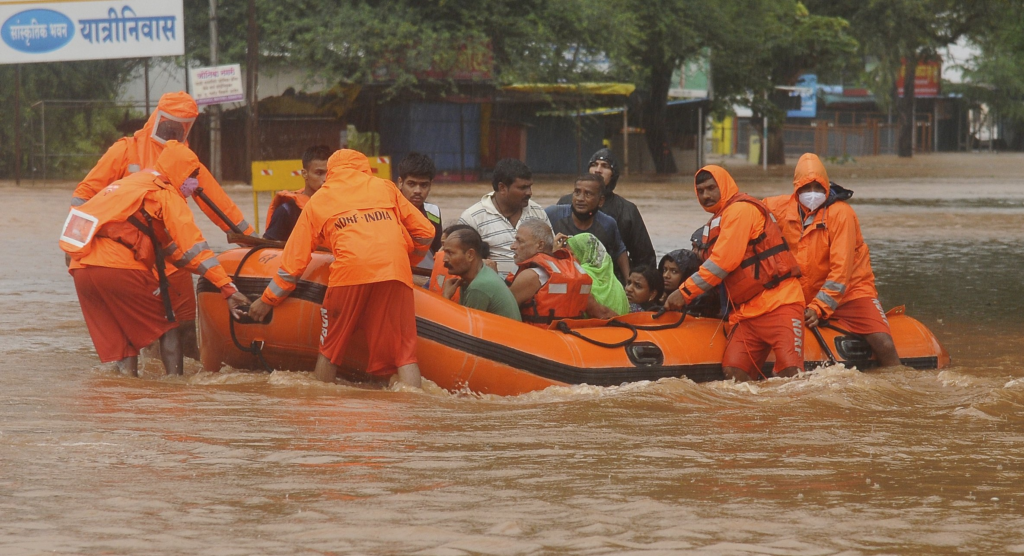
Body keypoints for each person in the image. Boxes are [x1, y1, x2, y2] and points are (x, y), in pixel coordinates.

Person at [70, 91, 256, 361]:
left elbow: (217, 203)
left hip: (171, 255)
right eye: (170, 122)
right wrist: (77, 242)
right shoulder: (125, 149)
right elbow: (84, 196)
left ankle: (172, 388)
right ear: (157, 117)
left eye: (183, 124)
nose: (174, 129)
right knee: (145, 333)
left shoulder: (184, 158)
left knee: (184, 329)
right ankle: (161, 389)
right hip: (131, 258)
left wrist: (250, 240)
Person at [247, 149, 435, 388]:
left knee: (330, 349)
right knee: (405, 355)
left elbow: (293, 263)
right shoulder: (385, 187)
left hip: (348, 274)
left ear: (332, 171)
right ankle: (413, 409)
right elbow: (426, 232)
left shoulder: (318, 200)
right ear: (363, 167)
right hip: (395, 272)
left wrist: (267, 299)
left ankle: (324, 409)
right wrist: (409, 262)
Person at [665, 166, 806, 382]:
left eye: (711, 188)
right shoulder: (718, 221)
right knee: (734, 374)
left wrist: (683, 293)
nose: (706, 196)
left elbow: (722, 263)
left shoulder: (741, 211)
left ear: (724, 185)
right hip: (746, 313)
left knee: (791, 373)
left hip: (780, 302)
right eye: (700, 191)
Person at [764, 153, 900, 367]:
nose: (812, 194)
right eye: (806, 188)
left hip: (851, 292)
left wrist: (818, 308)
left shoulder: (841, 214)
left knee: (884, 345)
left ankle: (897, 377)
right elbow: (748, 213)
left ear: (826, 187)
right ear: (796, 188)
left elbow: (841, 272)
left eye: (817, 188)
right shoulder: (779, 207)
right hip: (800, 292)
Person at [557, 148, 656, 271]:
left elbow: (644, 258)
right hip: (569, 273)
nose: (598, 170)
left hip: (611, 278)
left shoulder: (627, 210)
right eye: (594, 165)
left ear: (613, 174)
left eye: (605, 166)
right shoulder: (565, 203)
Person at [508, 219, 617, 327]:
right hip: (569, 340)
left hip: (535, 340)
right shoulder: (574, 276)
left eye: (519, 241)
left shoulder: (531, 276)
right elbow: (601, 312)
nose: (513, 246)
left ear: (540, 246)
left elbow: (502, 312)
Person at [458, 158, 551, 277]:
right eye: (523, 188)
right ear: (502, 188)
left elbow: (550, 252)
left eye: (530, 187)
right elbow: (461, 261)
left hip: (535, 289)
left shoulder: (538, 212)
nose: (529, 193)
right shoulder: (473, 217)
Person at [546, 174, 631, 281]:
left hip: (593, 283)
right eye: (577, 192)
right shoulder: (553, 215)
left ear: (601, 201)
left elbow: (619, 251)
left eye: (588, 194)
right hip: (556, 277)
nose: (580, 199)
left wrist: (628, 281)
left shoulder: (608, 224)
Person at [440, 226, 522, 321]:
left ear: (470, 255)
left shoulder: (479, 286)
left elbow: (463, 330)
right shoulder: (478, 275)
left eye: (450, 253)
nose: (444, 259)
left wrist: (445, 297)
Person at [263, 144, 332, 241]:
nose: (325, 179)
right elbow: (268, 250)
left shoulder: (341, 208)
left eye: (329, 173)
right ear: (304, 174)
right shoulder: (286, 212)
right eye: (319, 173)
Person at [396, 153, 443, 286]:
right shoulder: (389, 211)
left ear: (431, 185)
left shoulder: (434, 212)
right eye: (411, 184)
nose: (418, 190)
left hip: (427, 282)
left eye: (424, 185)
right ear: (400, 182)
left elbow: (438, 251)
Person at [565, 233, 629, 316]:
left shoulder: (580, 276)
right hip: (622, 328)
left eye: (572, 254)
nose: (568, 258)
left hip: (590, 328)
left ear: (585, 253)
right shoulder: (616, 284)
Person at [659, 249, 722, 318]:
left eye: (674, 271)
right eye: (664, 270)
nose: (666, 275)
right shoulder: (659, 294)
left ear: (687, 274)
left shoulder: (703, 299)